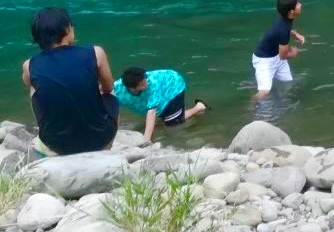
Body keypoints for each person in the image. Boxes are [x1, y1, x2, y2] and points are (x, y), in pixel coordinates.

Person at [21, 8, 119, 156]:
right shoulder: (95, 52)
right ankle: (106, 149)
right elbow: (108, 88)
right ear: (67, 30)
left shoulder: (30, 65)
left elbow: (30, 84)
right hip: (100, 139)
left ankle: (46, 135)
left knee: (34, 89)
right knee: (112, 91)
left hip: (56, 144)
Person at [113, 67, 208, 142]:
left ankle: (199, 107)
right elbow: (109, 103)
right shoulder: (117, 88)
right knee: (162, 115)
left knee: (173, 122)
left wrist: (146, 141)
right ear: (132, 88)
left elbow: (151, 112)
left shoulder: (151, 84)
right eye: (141, 84)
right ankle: (166, 117)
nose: (145, 83)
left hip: (174, 84)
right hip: (162, 88)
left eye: (144, 79)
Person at [252, 0, 305, 100]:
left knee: (287, 83)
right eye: (297, 4)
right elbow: (283, 55)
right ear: (291, 11)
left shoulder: (285, 20)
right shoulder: (283, 29)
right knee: (264, 91)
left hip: (276, 56)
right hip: (264, 61)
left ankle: (280, 103)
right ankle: (251, 109)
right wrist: (294, 53)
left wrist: (295, 35)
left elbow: (283, 31)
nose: (300, 5)